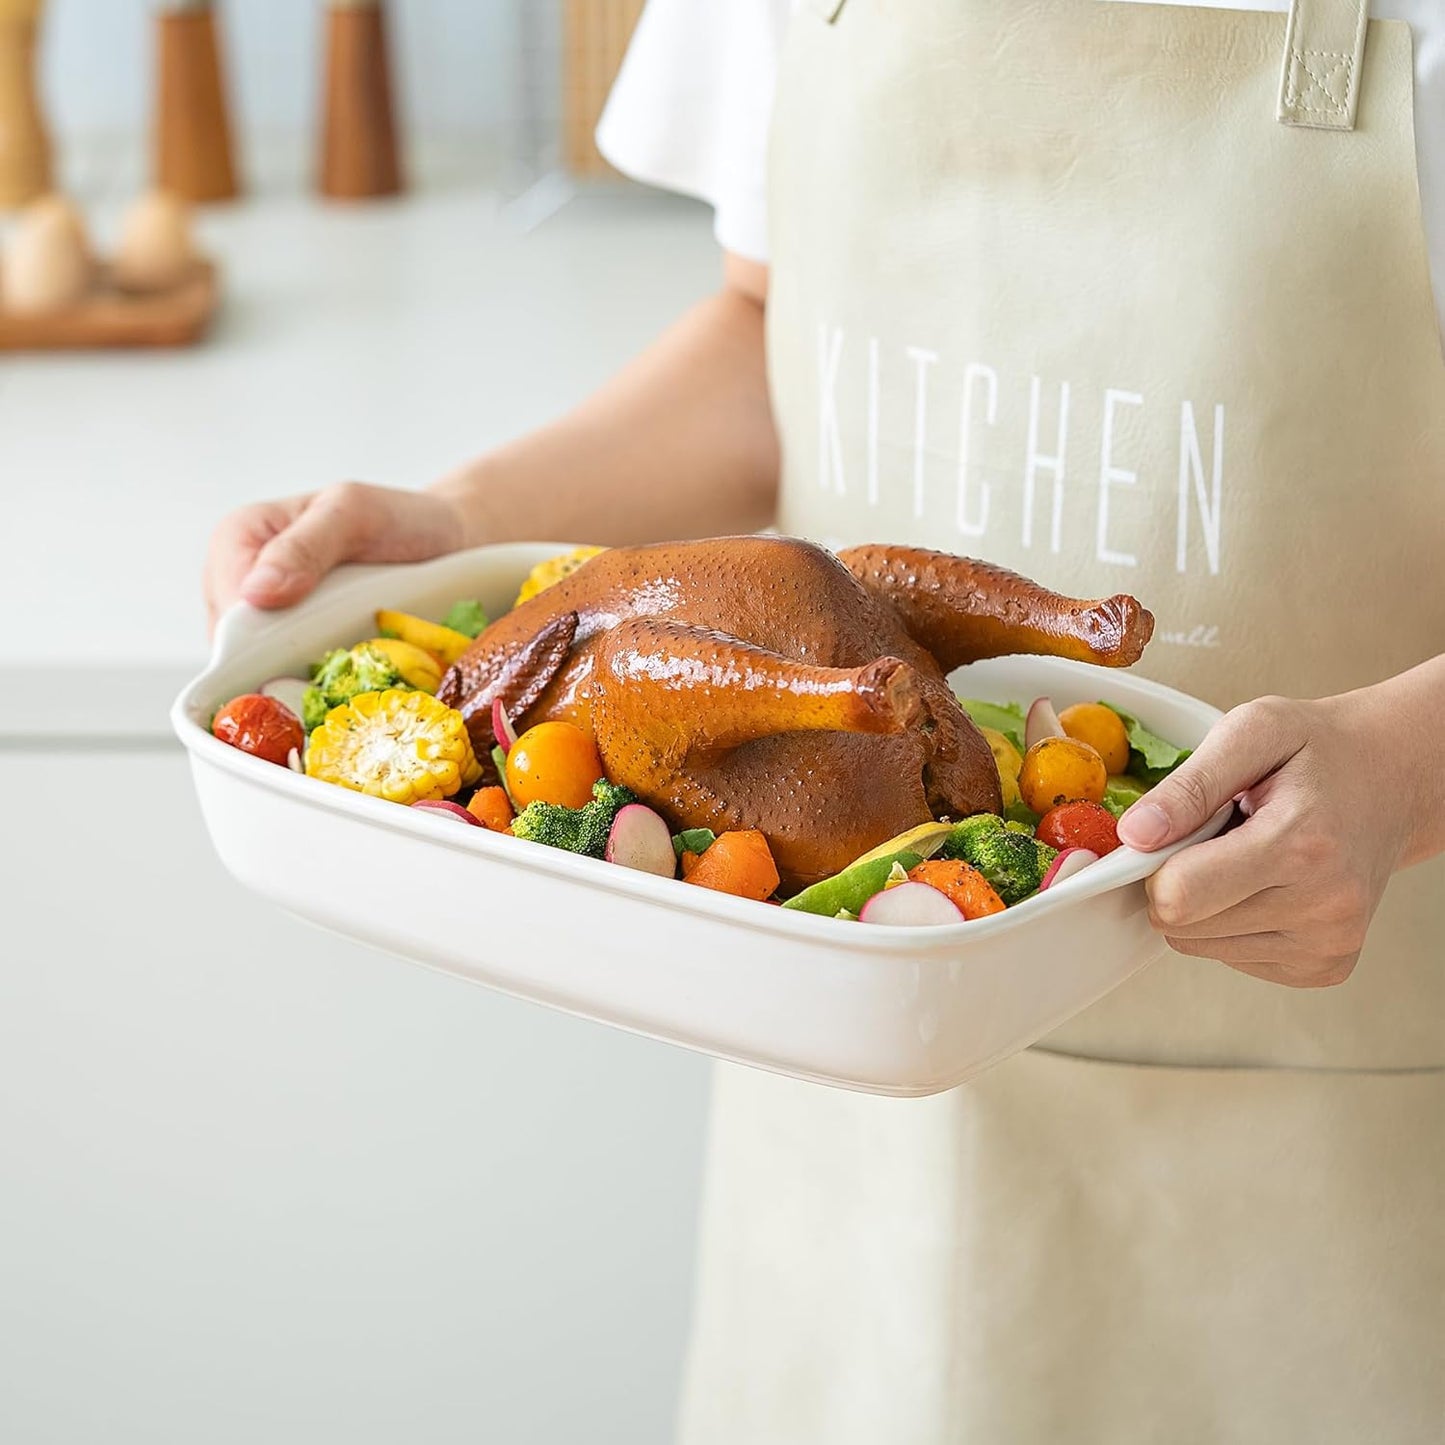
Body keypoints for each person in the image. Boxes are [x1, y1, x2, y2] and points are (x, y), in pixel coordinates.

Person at [207, 0, 1445, 1438]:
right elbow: (763, 332)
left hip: (1324, 1095)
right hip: (835, 1099)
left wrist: (1406, 774)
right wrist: (460, 521)